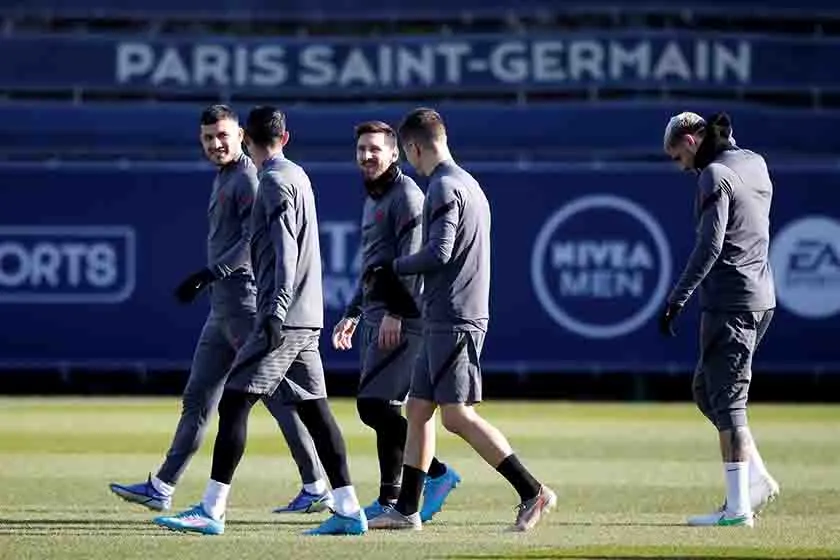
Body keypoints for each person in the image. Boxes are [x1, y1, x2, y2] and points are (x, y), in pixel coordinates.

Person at [152, 106, 367, 536]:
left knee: (233, 402)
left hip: (283, 317)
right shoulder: (299, 175)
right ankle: (347, 507)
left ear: (247, 138)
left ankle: (212, 511)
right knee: (316, 411)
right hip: (309, 316)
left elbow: (285, 252)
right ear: (286, 138)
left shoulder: (269, 180)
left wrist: (275, 311)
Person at [108, 104, 331, 516]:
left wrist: (213, 270)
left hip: (246, 305)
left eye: (223, 136)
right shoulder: (227, 176)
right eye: (208, 138)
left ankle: (316, 483)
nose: (215, 144)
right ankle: (163, 485)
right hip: (223, 309)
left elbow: (254, 239)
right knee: (198, 399)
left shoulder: (249, 177)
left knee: (277, 398)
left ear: (241, 136)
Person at [364, 108, 556, 533]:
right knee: (417, 410)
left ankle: (532, 490)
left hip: (455, 316)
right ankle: (406, 510)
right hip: (443, 315)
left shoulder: (444, 187)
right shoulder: (467, 183)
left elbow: (440, 252)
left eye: (408, 153)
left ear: (413, 147)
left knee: (456, 416)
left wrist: (393, 266)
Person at [332, 121, 461, 523]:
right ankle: (390, 500)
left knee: (373, 406)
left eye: (375, 149)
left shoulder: (406, 195)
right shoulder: (374, 196)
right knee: (380, 407)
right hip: (376, 313)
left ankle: (435, 474)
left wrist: (395, 312)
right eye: (361, 150)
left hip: (402, 315)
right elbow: (374, 267)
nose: (367, 156)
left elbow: (411, 261)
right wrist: (353, 312)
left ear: (394, 153)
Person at [660, 111, 781, 527]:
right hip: (761, 297)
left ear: (691, 141)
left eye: (678, 157)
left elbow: (710, 246)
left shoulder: (713, 175)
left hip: (731, 303)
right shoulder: (755, 162)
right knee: (706, 390)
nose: (682, 168)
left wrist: (677, 298)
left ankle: (738, 509)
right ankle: (757, 477)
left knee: (728, 402)